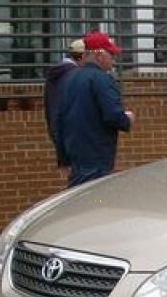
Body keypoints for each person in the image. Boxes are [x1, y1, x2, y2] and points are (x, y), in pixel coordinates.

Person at [57, 31, 135, 187]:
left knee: (80, 200)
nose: (113, 59)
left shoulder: (69, 79)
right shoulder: (102, 79)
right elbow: (113, 116)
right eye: (111, 55)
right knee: (96, 201)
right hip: (96, 159)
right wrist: (127, 119)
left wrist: (63, 158)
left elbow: (59, 120)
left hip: (76, 159)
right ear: (99, 54)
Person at [43, 39, 84, 168]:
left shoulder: (56, 76)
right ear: (83, 56)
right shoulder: (74, 76)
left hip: (60, 136)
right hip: (76, 141)